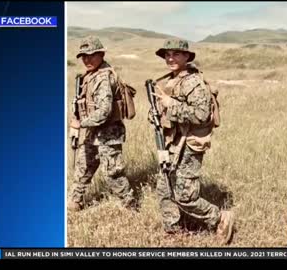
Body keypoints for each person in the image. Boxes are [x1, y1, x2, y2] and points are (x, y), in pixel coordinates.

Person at [150, 38, 235, 244]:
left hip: (188, 144)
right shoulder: (171, 79)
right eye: (167, 55)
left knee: (185, 197)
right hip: (171, 143)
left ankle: (219, 217)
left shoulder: (192, 82)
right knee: (164, 188)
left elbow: (201, 114)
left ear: (187, 57)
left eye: (176, 54)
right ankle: (173, 230)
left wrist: (171, 105)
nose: (170, 58)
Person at [68, 36, 136, 211]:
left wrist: (79, 123)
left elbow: (104, 112)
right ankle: (75, 201)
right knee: (83, 166)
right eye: (83, 56)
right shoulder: (90, 75)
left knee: (113, 173)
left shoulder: (104, 77)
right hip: (94, 131)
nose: (87, 59)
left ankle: (129, 206)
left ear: (101, 54)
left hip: (108, 134)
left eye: (91, 55)